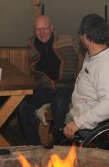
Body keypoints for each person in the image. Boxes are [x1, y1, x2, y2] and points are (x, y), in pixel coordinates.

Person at [63, 14, 109, 139]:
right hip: (80, 116)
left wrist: (78, 123)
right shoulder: (94, 54)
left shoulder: (107, 65)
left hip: (96, 128)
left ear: (85, 36)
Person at [17, 15, 77, 146]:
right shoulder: (32, 45)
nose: (41, 32)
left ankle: (59, 145)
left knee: (60, 104)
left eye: (45, 28)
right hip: (43, 87)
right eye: (38, 29)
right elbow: (33, 70)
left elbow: (77, 60)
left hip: (64, 86)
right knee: (22, 106)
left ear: (52, 28)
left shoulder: (65, 41)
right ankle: (34, 145)